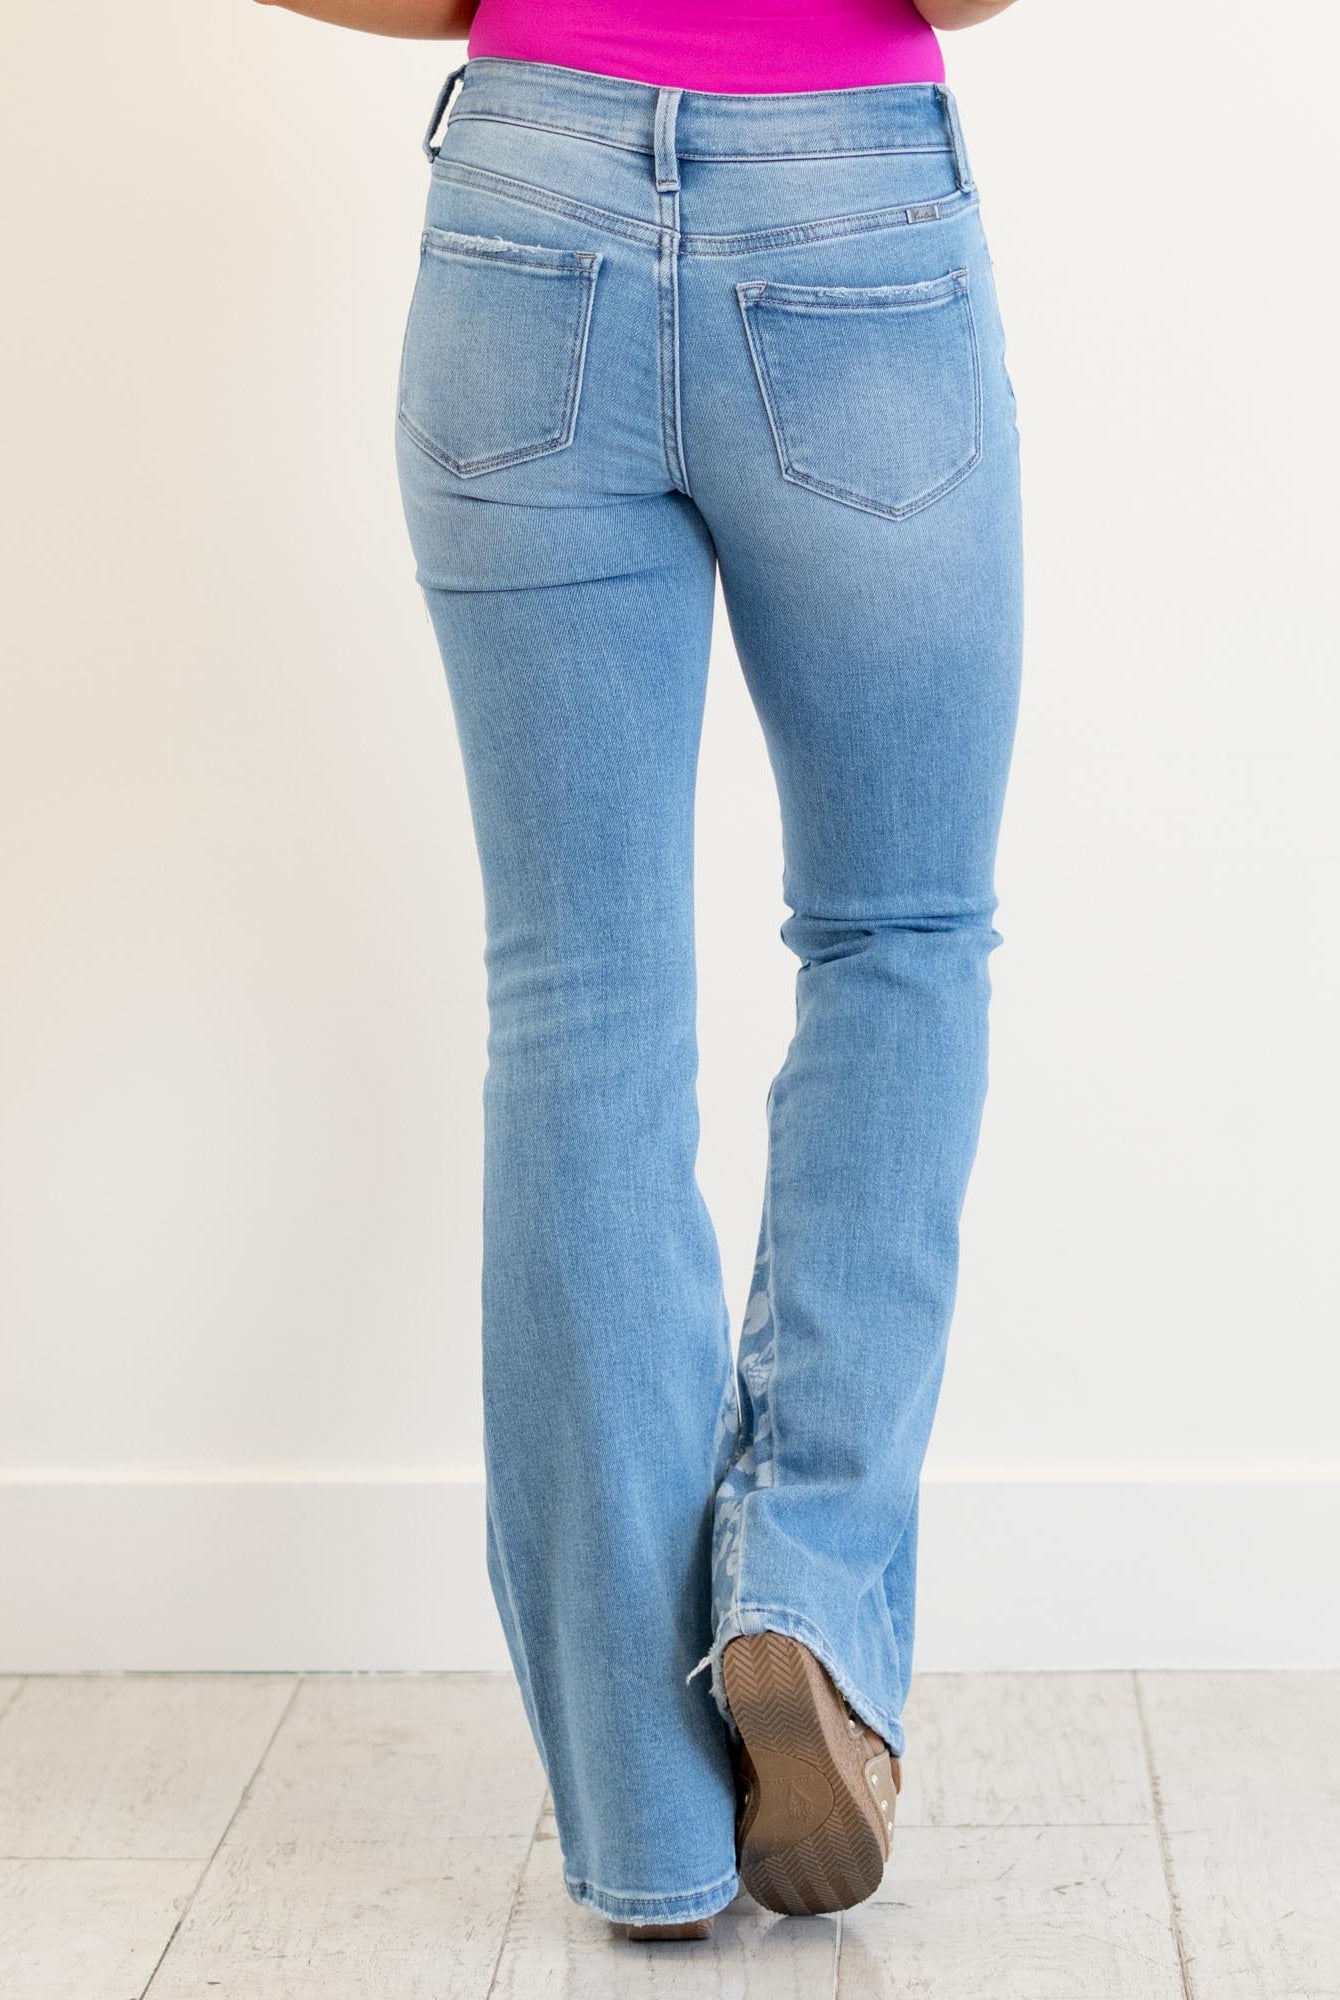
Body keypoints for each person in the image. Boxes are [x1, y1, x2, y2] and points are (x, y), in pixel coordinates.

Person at [256, 0, 1022, 1942]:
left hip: (525, 209)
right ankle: (805, 1597)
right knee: (899, 933)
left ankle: (650, 1827)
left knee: (577, 1007)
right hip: (847, 216)